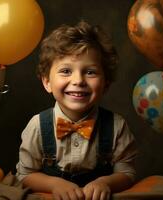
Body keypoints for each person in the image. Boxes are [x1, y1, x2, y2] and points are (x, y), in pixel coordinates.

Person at [16, 21, 138, 200]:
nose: (78, 80)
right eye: (66, 71)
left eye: (90, 72)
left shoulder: (116, 126)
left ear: (106, 84)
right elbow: (24, 175)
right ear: (47, 82)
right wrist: (54, 184)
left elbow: (127, 173)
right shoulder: (38, 126)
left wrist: (105, 183)